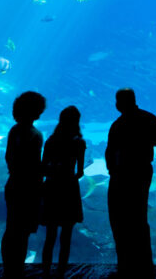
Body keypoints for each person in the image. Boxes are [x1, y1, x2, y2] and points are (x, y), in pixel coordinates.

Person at [105, 88, 156, 277]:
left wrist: (112, 171)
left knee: (120, 220)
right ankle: (145, 267)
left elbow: (109, 152)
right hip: (142, 171)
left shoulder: (118, 124)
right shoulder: (150, 118)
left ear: (119, 103)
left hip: (122, 174)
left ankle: (125, 267)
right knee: (139, 219)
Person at [2, 91, 47, 278]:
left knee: (12, 229)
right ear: (36, 111)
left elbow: (9, 158)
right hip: (28, 189)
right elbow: (35, 165)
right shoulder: (35, 135)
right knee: (22, 233)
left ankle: (9, 270)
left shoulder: (14, 131)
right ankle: (17, 271)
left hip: (13, 184)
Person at [41, 105, 86, 277]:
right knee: (66, 237)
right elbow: (80, 172)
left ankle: (45, 272)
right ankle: (60, 273)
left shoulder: (50, 141)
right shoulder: (79, 143)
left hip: (52, 188)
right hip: (69, 189)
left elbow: (43, 167)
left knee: (50, 236)